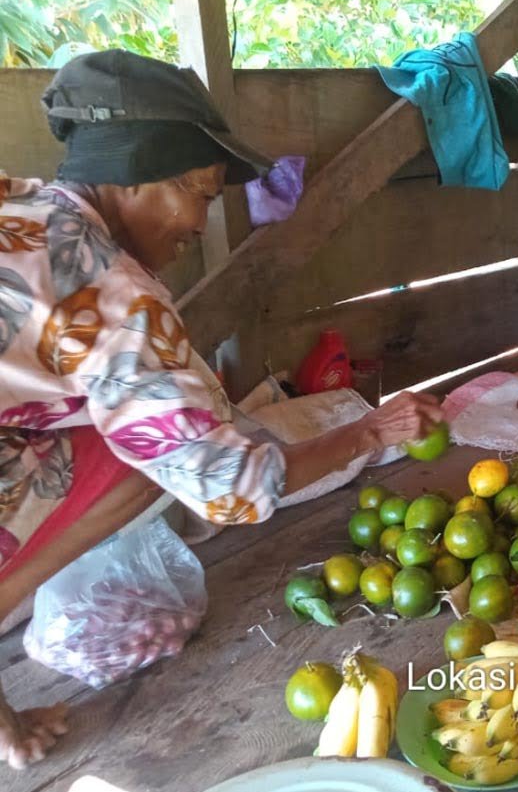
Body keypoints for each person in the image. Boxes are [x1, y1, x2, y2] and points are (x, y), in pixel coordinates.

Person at [0, 50, 444, 770]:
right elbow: (234, 491)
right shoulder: (118, 298)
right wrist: (371, 430)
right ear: (135, 172)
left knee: (141, 427)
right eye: (199, 194)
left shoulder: (22, 204)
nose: (200, 223)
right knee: (142, 456)